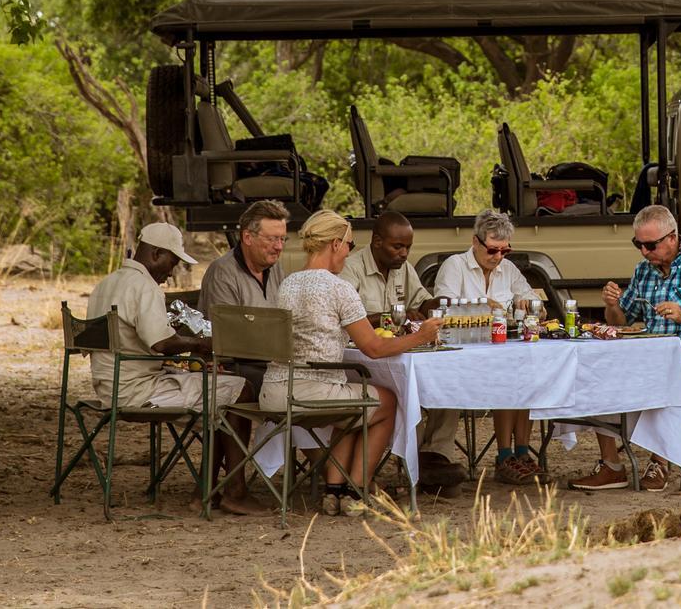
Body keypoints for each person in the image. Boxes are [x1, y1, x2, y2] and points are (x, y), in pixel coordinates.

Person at [261, 209, 441, 516]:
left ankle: (335, 492)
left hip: (274, 390)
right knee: (385, 401)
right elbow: (372, 347)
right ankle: (356, 488)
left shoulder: (288, 283)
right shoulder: (338, 288)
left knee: (357, 400)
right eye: (349, 244)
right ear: (334, 244)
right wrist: (420, 337)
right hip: (308, 393)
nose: (350, 252)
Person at [87, 222, 265, 515]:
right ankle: (235, 491)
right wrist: (201, 344)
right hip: (137, 390)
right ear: (156, 253)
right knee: (239, 388)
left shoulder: (107, 283)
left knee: (217, 392)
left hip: (109, 383)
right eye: (173, 262)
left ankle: (205, 490)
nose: (171, 272)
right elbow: (162, 344)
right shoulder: (143, 286)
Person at [571, 204, 681, 492]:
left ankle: (660, 463)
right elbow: (622, 321)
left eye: (650, 245)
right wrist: (611, 305)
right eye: (639, 244)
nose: (644, 252)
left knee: (662, 376)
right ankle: (611, 466)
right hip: (647, 357)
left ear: (672, 238)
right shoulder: (644, 270)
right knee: (598, 372)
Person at [340, 211, 468, 495]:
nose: (403, 253)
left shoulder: (403, 267)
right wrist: (390, 317)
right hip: (364, 357)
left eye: (408, 247)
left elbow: (421, 302)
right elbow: (346, 319)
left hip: (402, 350)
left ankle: (434, 457)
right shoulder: (351, 268)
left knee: (447, 380)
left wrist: (445, 302)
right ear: (376, 242)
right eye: (397, 247)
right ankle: (415, 463)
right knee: (407, 388)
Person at [433, 208, 545, 485]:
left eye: (504, 251)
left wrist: (530, 305)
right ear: (475, 242)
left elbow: (537, 305)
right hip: (462, 357)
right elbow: (441, 309)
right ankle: (504, 455)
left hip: (501, 351)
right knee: (510, 375)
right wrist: (484, 307)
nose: (498, 258)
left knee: (527, 373)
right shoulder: (455, 266)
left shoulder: (507, 269)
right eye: (493, 251)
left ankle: (520, 452)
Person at [197, 200, 289, 394]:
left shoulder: (275, 268)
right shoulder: (223, 272)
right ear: (247, 237)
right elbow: (227, 339)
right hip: (236, 366)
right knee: (296, 388)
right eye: (272, 239)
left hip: (272, 363)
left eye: (282, 239)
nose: (279, 247)